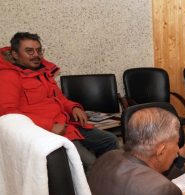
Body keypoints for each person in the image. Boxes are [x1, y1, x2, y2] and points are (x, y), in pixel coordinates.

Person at [0, 32, 118, 170]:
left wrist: (73, 108)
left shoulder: (43, 73)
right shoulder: (8, 76)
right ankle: (91, 187)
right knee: (89, 163)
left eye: (39, 50)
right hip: (44, 132)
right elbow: (9, 114)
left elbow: (60, 99)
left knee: (110, 141)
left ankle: (109, 180)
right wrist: (49, 126)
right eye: (29, 51)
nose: (36, 55)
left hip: (67, 125)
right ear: (15, 54)